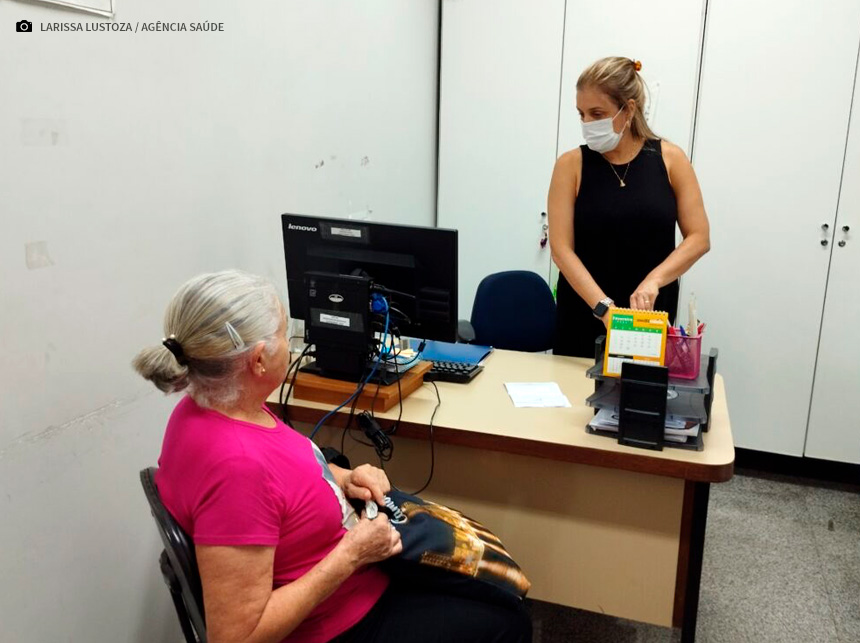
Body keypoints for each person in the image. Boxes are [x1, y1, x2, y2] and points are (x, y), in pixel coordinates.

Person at [133, 270, 531, 643]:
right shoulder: (236, 467)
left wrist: (342, 476)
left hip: (355, 568)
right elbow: (237, 636)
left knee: (492, 591)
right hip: (338, 622)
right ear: (257, 361)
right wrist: (351, 555)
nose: (289, 344)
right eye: (283, 334)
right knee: (506, 621)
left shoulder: (212, 407)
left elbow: (284, 471)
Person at [547, 56, 711, 357]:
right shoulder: (570, 166)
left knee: (638, 396)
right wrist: (604, 308)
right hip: (584, 314)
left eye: (597, 113)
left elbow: (699, 238)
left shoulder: (670, 159)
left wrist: (655, 279)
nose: (587, 123)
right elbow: (561, 249)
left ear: (629, 109)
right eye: (581, 114)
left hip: (647, 319)